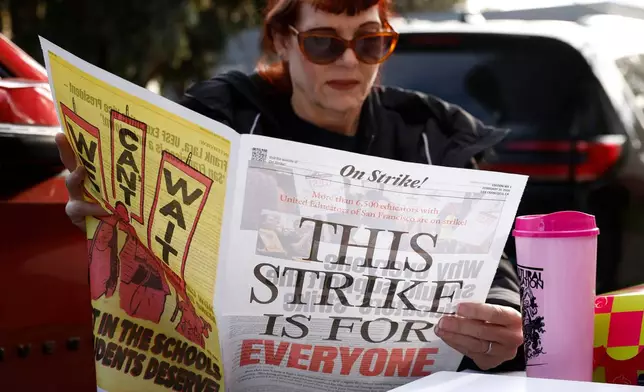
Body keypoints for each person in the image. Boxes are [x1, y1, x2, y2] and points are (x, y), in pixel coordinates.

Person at [56, 0, 525, 374]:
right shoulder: (226, 120)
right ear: (283, 41)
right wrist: (105, 204)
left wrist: (500, 316)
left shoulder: (430, 134)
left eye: (369, 42)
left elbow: (491, 263)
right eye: (323, 43)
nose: (348, 60)